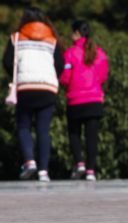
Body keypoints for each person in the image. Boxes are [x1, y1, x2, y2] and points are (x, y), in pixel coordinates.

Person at [3, 7, 63, 182]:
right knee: (43, 130)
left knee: (23, 126)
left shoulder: (16, 38)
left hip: (25, 87)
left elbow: (7, 62)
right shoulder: (52, 40)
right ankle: (44, 171)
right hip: (47, 87)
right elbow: (60, 64)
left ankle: (29, 162)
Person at [59, 20, 108, 181]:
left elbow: (65, 77)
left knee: (74, 133)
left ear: (77, 33)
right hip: (94, 99)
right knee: (92, 137)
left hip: (75, 99)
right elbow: (103, 76)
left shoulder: (70, 53)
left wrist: (68, 86)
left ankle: (79, 162)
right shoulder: (99, 53)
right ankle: (91, 171)